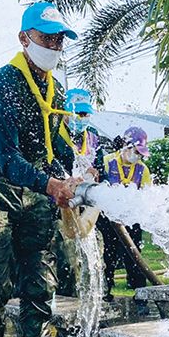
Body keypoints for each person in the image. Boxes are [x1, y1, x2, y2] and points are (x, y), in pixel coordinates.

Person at [0, 1, 93, 337]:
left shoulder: (56, 89)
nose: (54, 45)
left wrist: (72, 177)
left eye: (59, 39)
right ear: (25, 39)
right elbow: (8, 158)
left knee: (41, 284)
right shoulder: (4, 83)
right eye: (46, 37)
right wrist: (50, 182)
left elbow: (53, 149)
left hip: (35, 192)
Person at [51, 88, 107, 297]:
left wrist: (95, 172)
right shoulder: (54, 136)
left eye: (85, 114)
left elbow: (100, 168)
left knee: (92, 262)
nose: (81, 118)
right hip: (58, 207)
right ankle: (68, 302)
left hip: (85, 205)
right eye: (77, 113)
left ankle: (92, 299)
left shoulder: (93, 137)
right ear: (64, 112)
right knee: (67, 261)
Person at [98, 127, 152, 310]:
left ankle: (141, 298)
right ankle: (105, 293)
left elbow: (146, 196)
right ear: (126, 146)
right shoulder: (106, 162)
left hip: (131, 220)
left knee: (135, 258)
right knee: (107, 257)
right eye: (136, 151)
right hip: (108, 220)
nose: (138, 156)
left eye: (140, 153)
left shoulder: (143, 170)